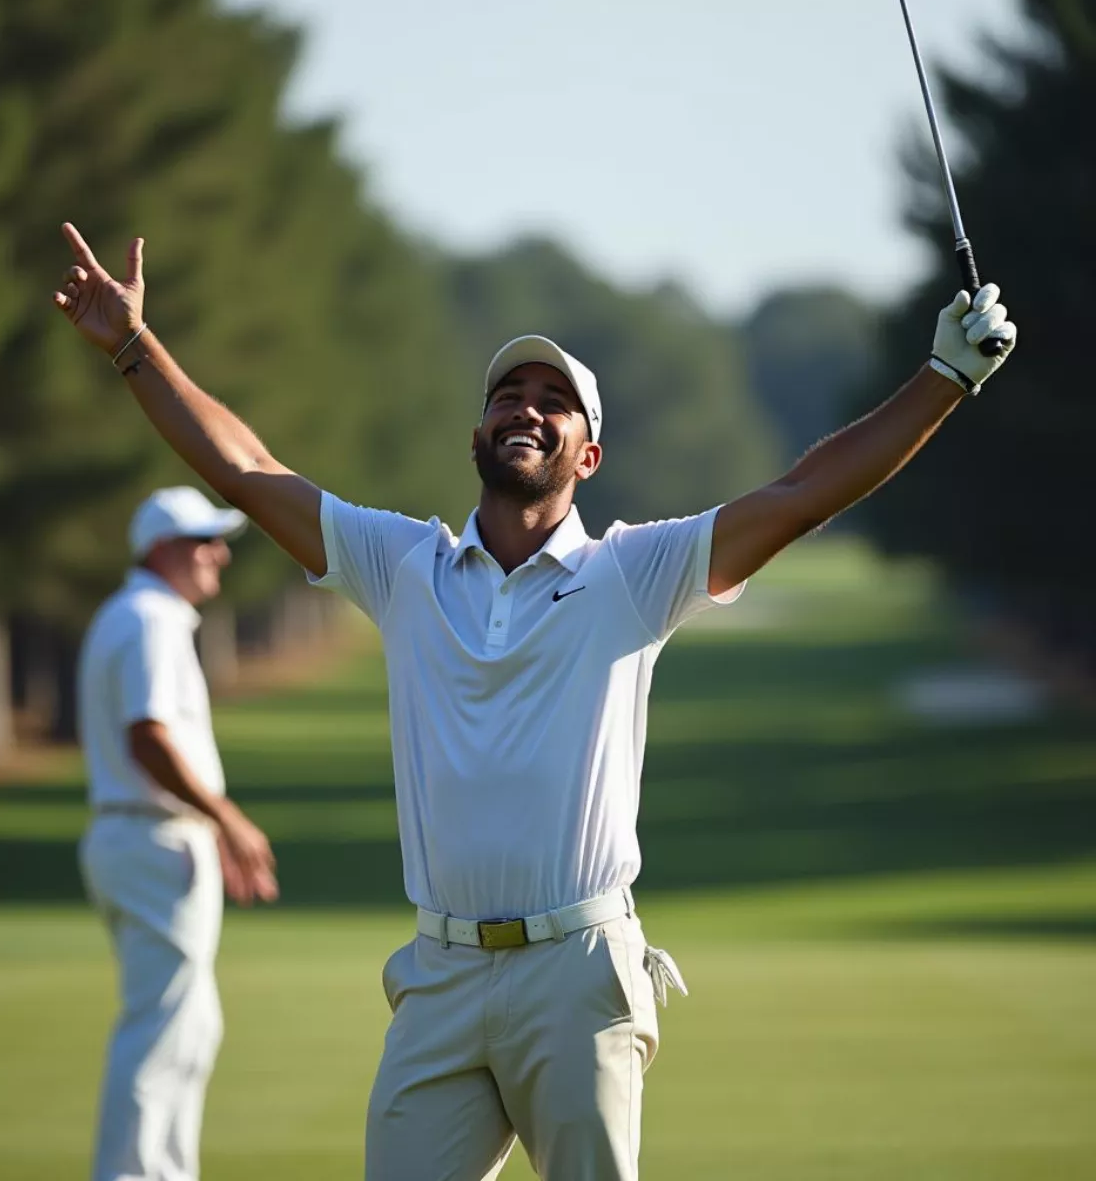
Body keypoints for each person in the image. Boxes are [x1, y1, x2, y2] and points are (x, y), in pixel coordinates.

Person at [51, 224, 1017, 1180]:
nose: (528, 408)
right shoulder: (405, 566)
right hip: (440, 974)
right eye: (509, 394)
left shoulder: (634, 572)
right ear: (477, 434)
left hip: (578, 972)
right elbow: (247, 470)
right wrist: (136, 348)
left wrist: (943, 378)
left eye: (556, 402)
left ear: (587, 456)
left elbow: (801, 494)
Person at [77, 486, 279, 1181]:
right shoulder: (151, 619)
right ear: (160, 549)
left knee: (187, 1027)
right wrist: (226, 817)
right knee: (163, 1032)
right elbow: (149, 737)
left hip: (140, 836)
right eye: (203, 541)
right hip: (153, 839)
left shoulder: (130, 615)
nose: (218, 554)